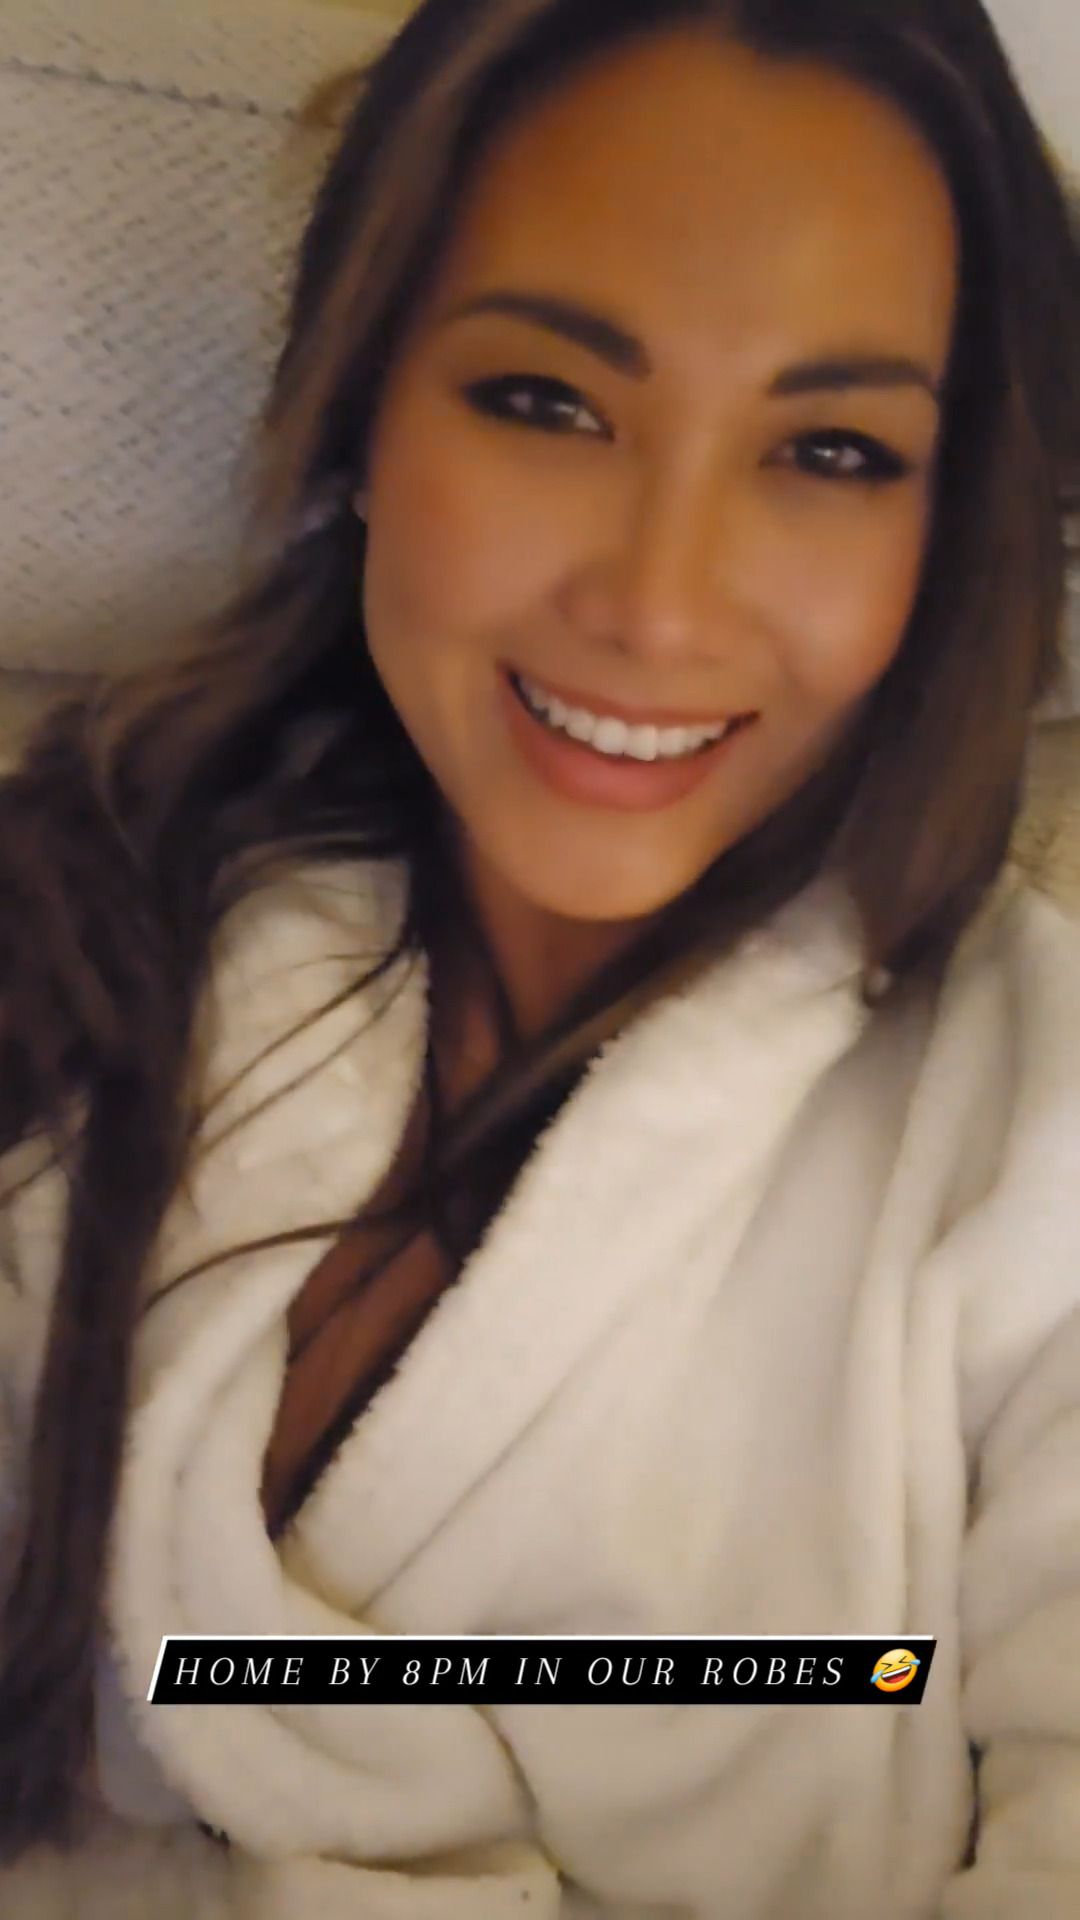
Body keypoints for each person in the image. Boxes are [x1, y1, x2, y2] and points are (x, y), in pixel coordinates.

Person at [1, 0, 1079, 1913]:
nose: (657, 606)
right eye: (546, 403)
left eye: (832, 449)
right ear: (360, 414)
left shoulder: (1040, 1141)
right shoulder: (63, 919)